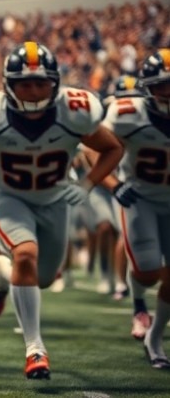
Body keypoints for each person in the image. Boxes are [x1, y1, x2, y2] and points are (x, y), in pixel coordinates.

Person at [0, 42, 124, 379]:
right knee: (25, 254)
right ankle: (35, 348)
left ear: (55, 83)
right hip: (9, 197)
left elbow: (112, 148)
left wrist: (88, 183)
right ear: (8, 85)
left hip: (54, 199)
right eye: (24, 84)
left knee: (42, 277)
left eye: (41, 83)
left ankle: (0, 271)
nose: (34, 91)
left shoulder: (75, 111)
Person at [100, 50, 170, 368]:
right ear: (146, 88)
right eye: (161, 86)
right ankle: (138, 300)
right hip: (140, 198)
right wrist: (115, 184)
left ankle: (155, 339)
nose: (167, 92)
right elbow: (94, 149)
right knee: (147, 270)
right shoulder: (128, 113)